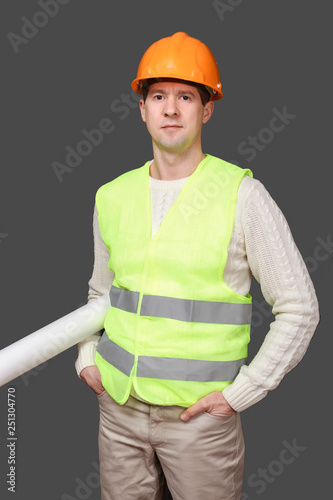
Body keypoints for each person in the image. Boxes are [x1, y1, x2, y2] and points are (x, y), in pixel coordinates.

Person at [75, 32, 320, 500]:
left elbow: (300, 308)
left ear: (206, 109)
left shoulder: (242, 196)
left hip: (201, 422)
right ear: (142, 108)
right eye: (159, 96)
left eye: (185, 96)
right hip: (118, 412)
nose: (171, 109)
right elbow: (101, 295)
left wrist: (239, 395)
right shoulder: (111, 196)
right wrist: (88, 356)